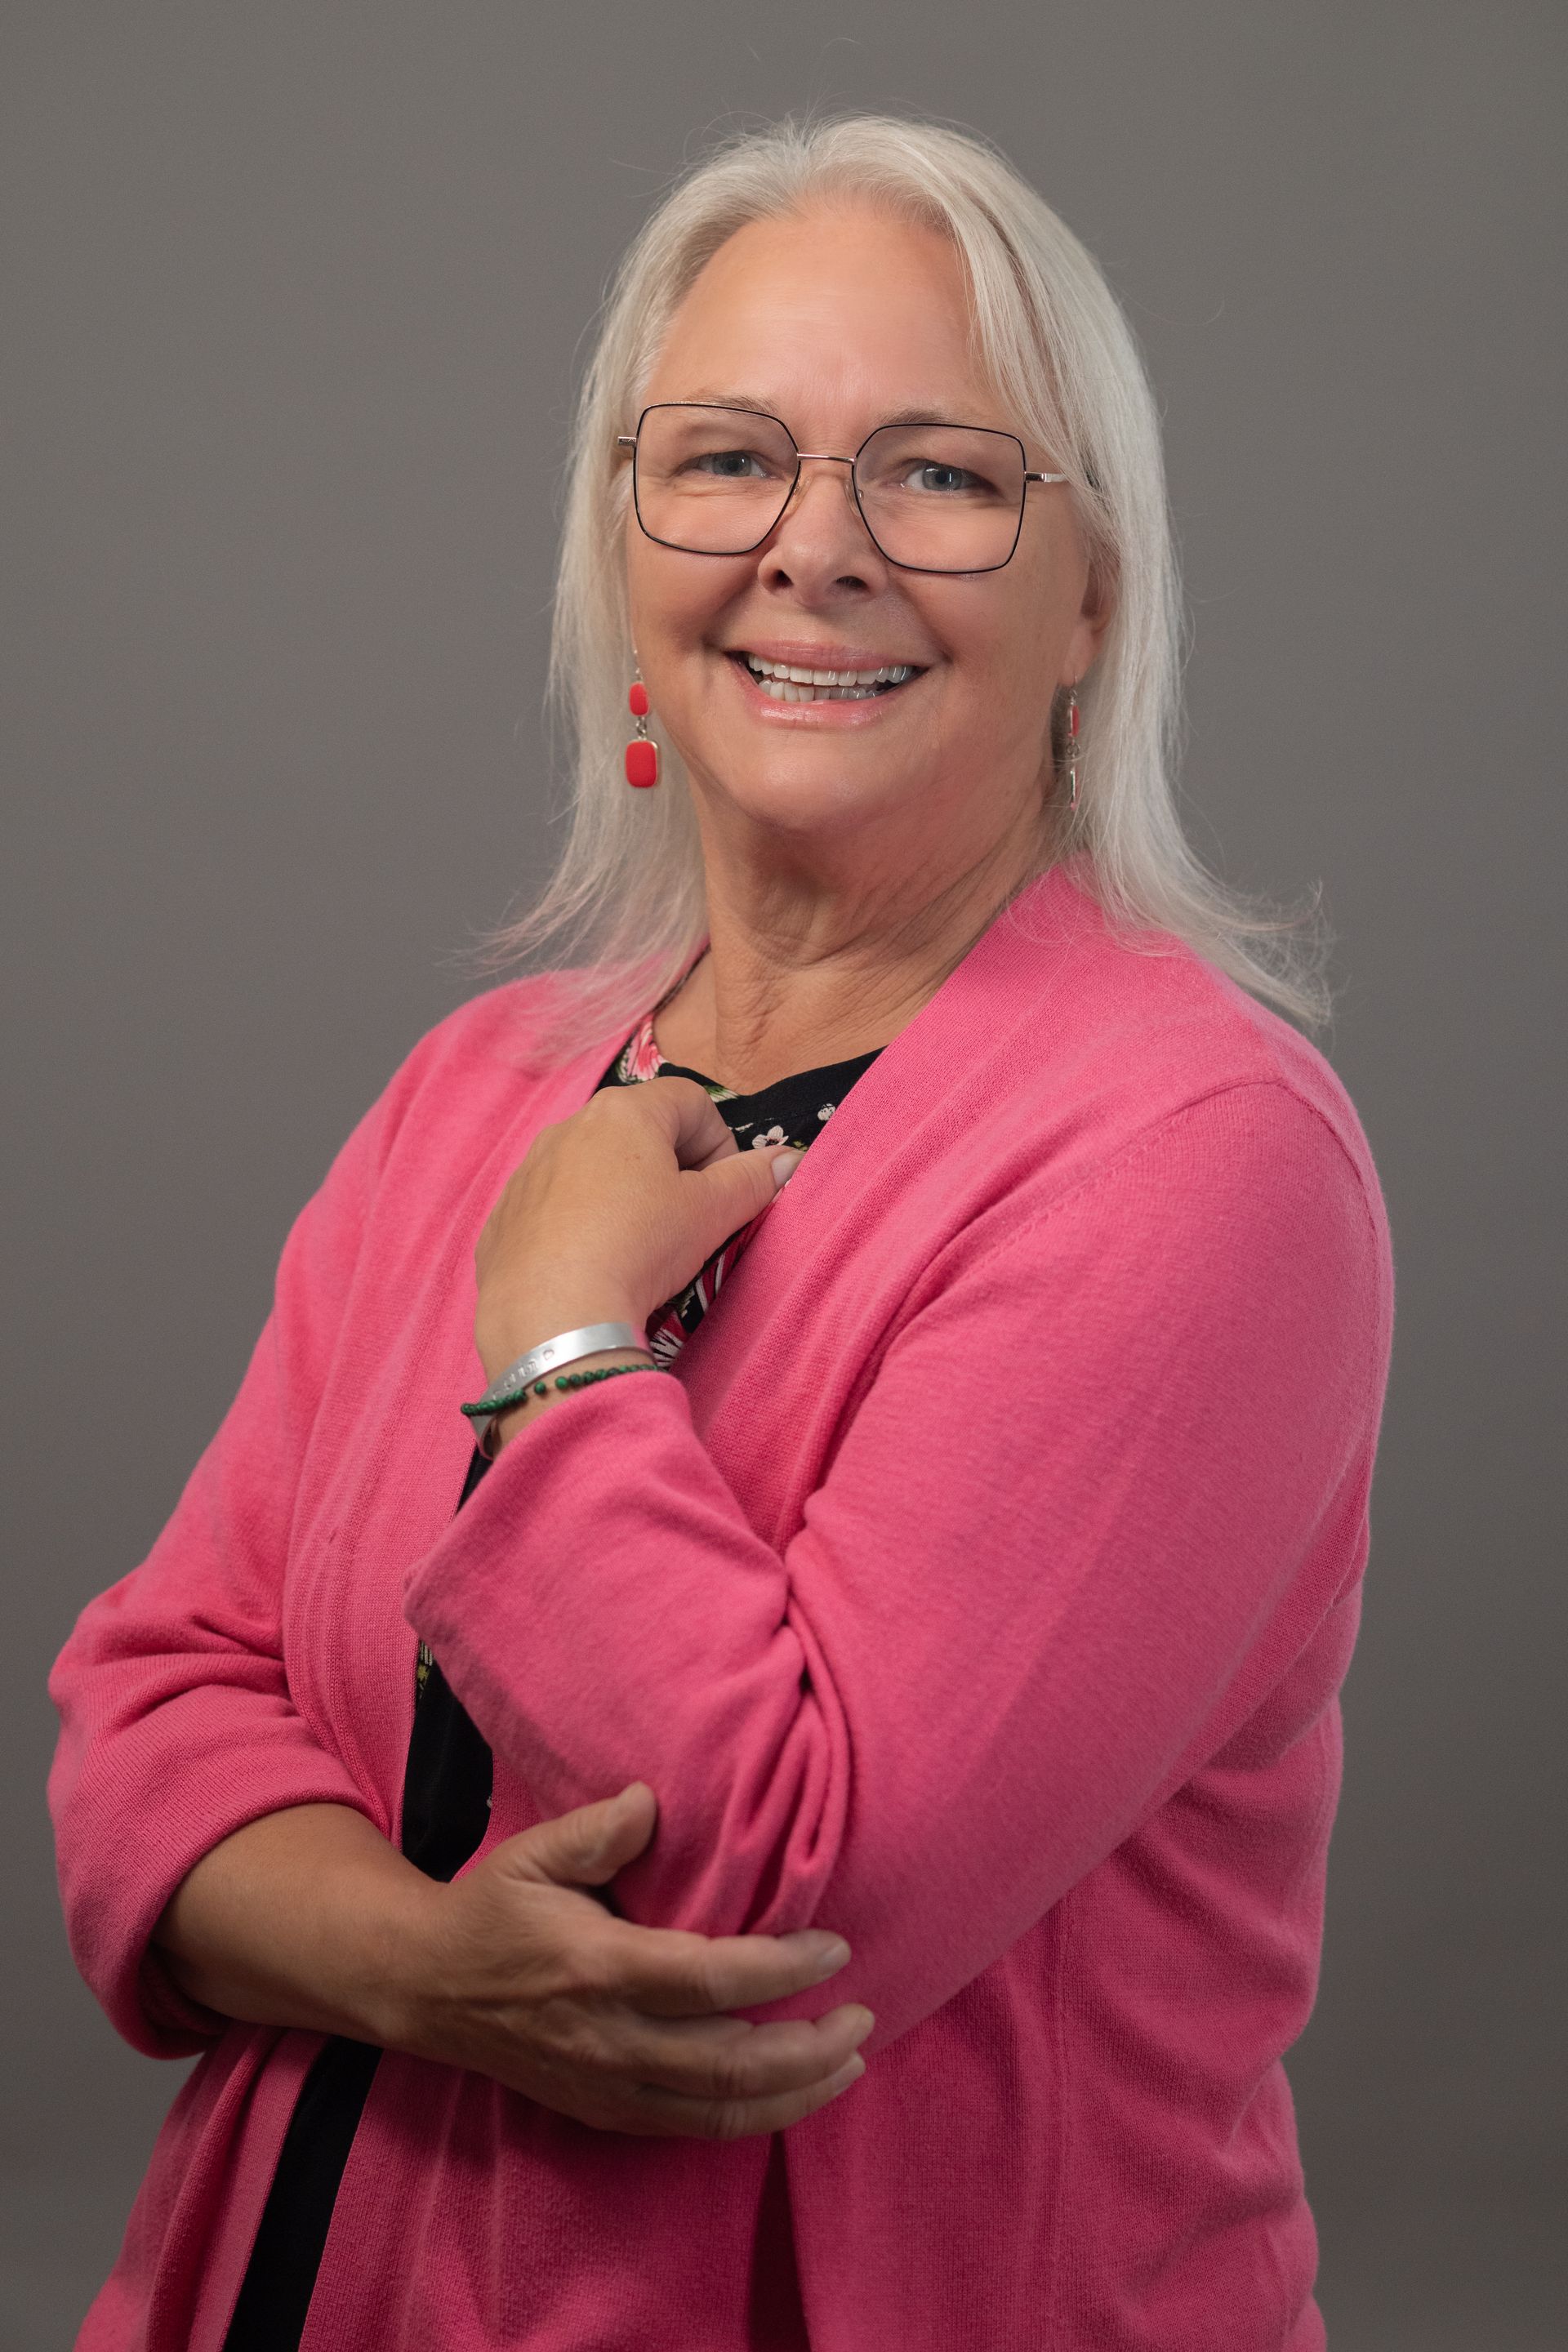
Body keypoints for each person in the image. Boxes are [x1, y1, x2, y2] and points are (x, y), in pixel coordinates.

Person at [49, 114, 1393, 2352]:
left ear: (1095, 601)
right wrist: (426, 1977)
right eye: (728, 460)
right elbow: (146, 1718)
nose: (815, 550)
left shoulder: (1201, 1153)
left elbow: (794, 1895)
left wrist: (568, 1343)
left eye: (943, 475)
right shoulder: (481, 1086)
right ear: (625, 554)